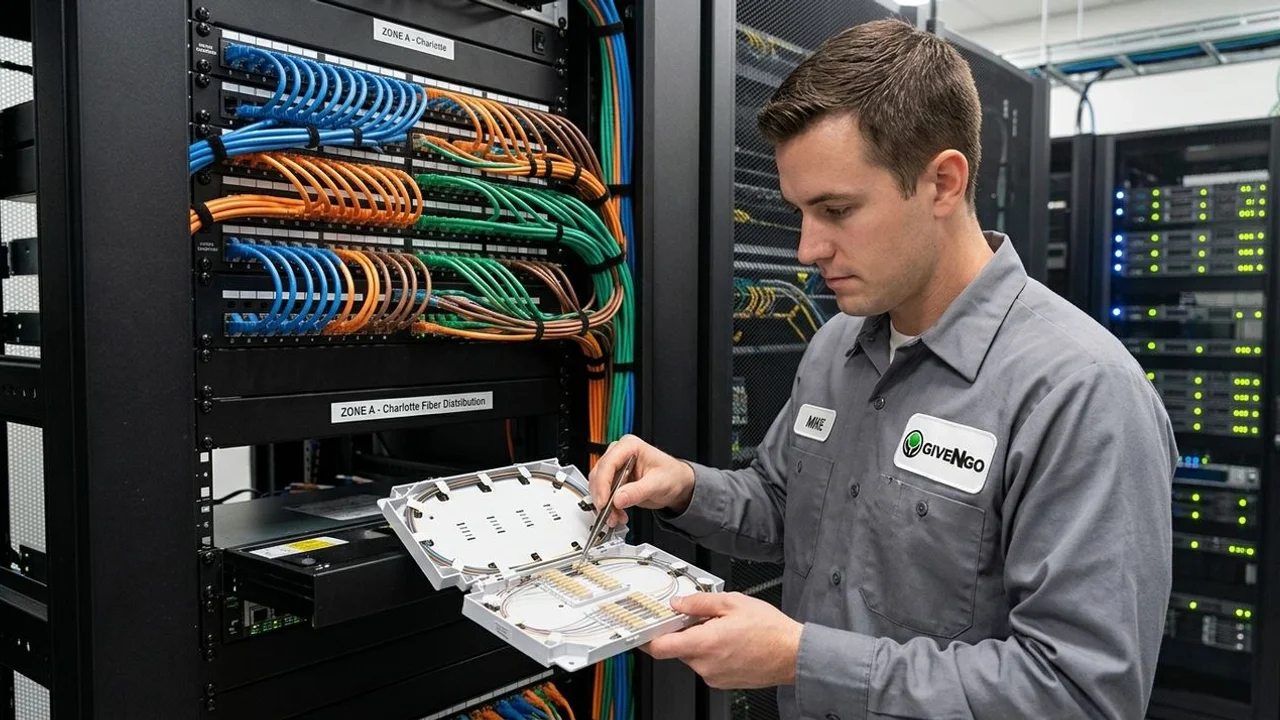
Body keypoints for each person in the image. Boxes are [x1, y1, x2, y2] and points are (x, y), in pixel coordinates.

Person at [589, 17, 1176, 720]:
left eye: (836, 210)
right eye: (801, 212)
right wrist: (684, 488)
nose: (807, 249)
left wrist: (802, 658)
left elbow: (1084, 696)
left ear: (943, 183)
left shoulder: (1079, 392)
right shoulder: (836, 347)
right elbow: (784, 507)